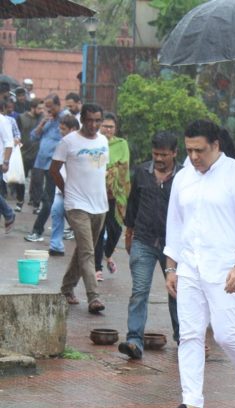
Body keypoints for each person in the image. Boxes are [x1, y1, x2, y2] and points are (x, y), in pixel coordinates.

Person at [161, 120, 235, 408]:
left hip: (226, 269)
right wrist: (171, 266)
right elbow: (175, 224)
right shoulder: (183, 178)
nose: (194, 157)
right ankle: (192, 403)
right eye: (189, 150)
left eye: (200, 150)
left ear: (216, 145)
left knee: (226, 333)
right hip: (190, 267)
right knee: (190, 334)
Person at [118, 131, 181, 360]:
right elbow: (133, 203)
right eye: (156, 154)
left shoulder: (185, 176)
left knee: (177, 293)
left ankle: (183, 339)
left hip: (173, 246)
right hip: (143, 240)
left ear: (174, 153)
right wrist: (129, 233)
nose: (160, 159)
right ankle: (134, 340)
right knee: (139, 292)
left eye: (164, 154)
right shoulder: (142, 172)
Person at [49, 103, 109, 314]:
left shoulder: (103, 140)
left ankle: (66, 288)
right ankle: (94, 297)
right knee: (88, 251)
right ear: (82, 119)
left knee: (85, 250)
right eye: (90, 120)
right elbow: (54, 170)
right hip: (76, 205)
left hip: (100, 205)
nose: (94, 124)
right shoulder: (68, 142)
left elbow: (101, 170)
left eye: (97, 120)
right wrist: (66, 191)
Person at [24, 94, 67, 242]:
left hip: (54, 165)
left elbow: (66, 139)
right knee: (45, 195)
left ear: (58, 105)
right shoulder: (48, 120)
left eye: (50, 107)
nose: (47, 110)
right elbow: (33, 137)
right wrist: (42, 124)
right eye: (46, 107)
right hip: (41, 163)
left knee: (49, 199)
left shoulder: (64, 119)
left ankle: (37, 230)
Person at [94, 112, 130, 281]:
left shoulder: (122, 144)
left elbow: (123, 166)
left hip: (116, 195)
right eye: (105, 126)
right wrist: (107, 170)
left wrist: (109, 171)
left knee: (116, 229)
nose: (107, 129)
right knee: (99, 230)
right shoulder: (95, 143)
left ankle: (107, 254)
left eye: (111, 127)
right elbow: (94, 165)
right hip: (97, 193)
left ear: (116, 128)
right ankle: (97, 268)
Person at [48, 114, 80, 257]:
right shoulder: (63, 143)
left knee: (82, 220)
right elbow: (55, 169)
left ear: (73, 129)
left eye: (63, 129)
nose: (61, 131)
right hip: (62, 189)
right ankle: (56, 246)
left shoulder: (81, 145)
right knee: (56, 211)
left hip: (79, 191)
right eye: (60, 129)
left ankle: (101, 240)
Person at [17, 98, 44, 211]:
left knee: (38, 180)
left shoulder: (43, 119)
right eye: (39, 108)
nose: (41, 110)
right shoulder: (21, 118)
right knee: (21, 179)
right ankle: (19, 202)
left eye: (42, 108)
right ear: (32, 108)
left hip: (38, 154)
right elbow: (17, 133)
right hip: (23, 153)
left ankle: (36, 204)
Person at [0, 109, 14, 233]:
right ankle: (8, 213)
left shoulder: (3, 121)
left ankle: (9, 213)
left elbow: (9, 143)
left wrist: (6, 162)